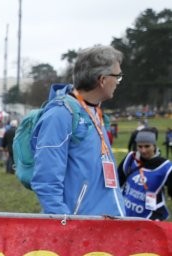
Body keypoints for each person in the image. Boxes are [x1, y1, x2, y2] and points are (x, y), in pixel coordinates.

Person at [30, 45, 124, 216]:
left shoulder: (94, 111)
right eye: (117, 76)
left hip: (106, 226)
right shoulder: (61, 114)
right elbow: (46, 180)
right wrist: (65, 225)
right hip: (80, 229)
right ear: (102, 80)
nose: (118, 81)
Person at [117, 130, 171, 221]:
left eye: (147, 146)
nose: (143, 150)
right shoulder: (131, 158)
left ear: (154, 146)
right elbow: (118, 180)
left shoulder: (165, 166)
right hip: (125, 213)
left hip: (150, 218)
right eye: (140, 146)